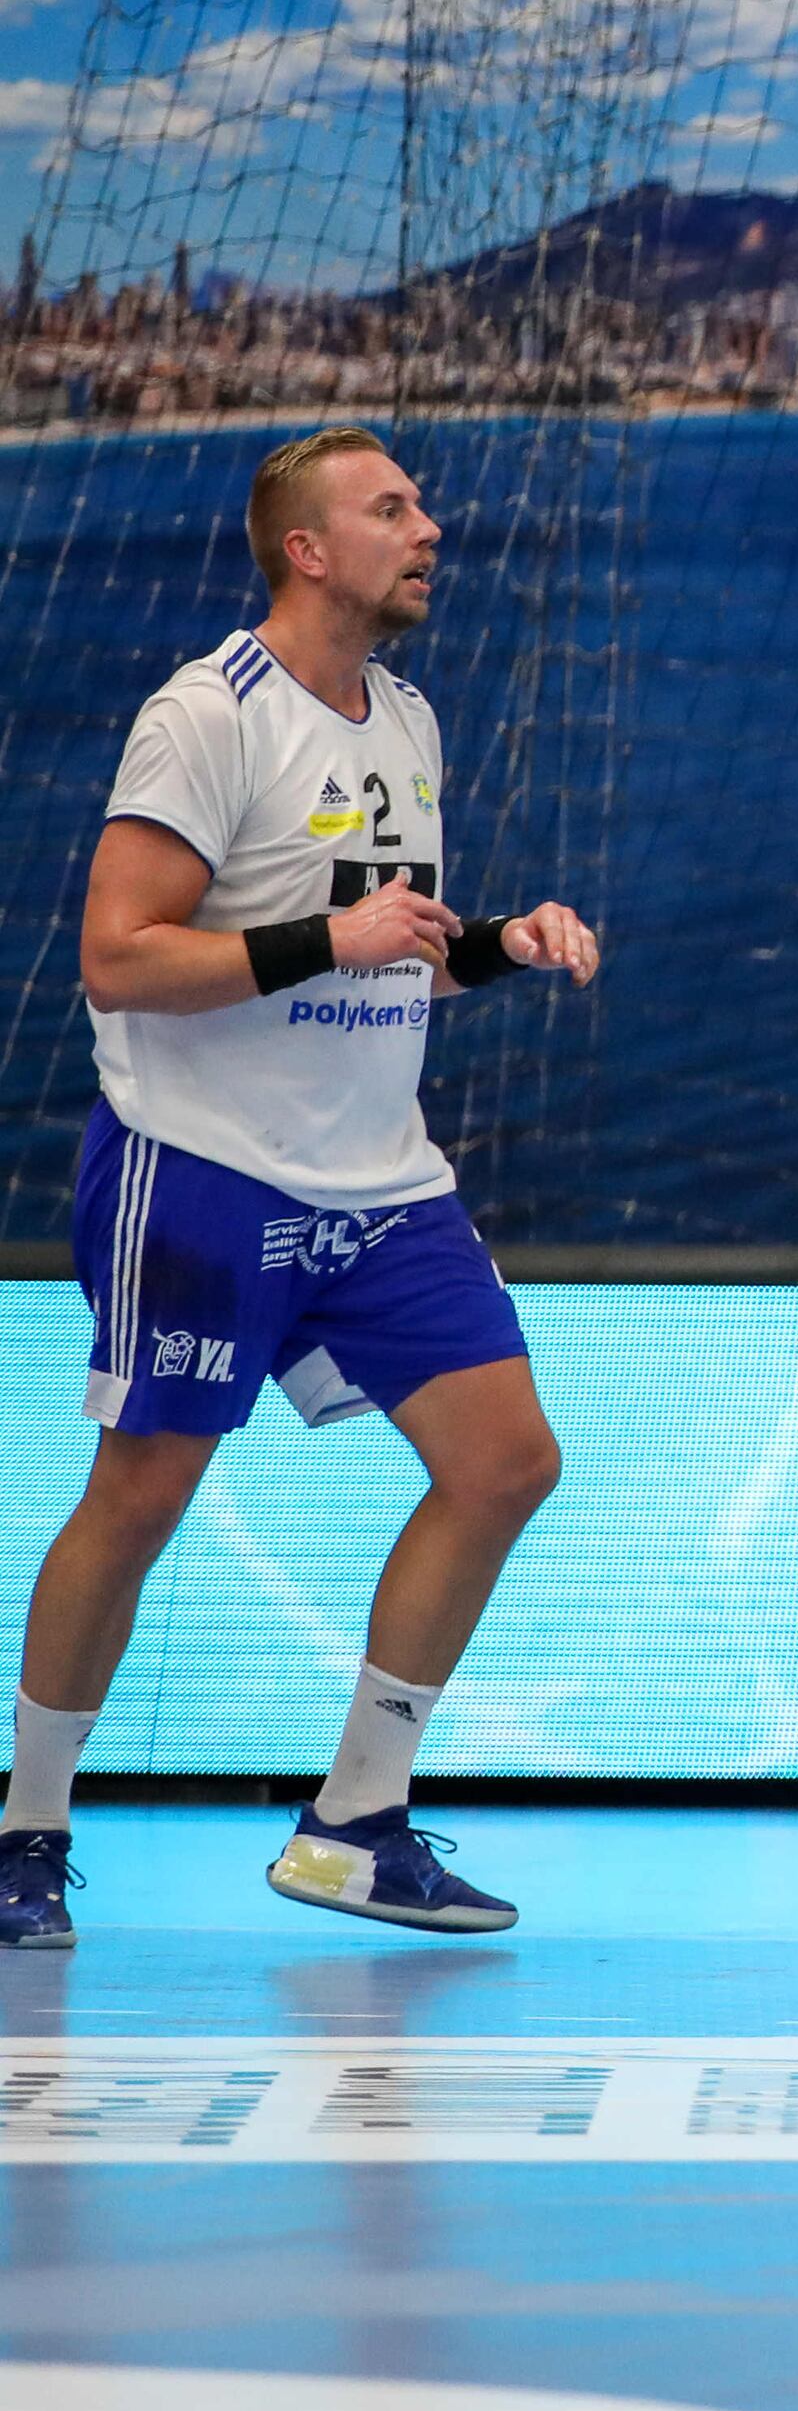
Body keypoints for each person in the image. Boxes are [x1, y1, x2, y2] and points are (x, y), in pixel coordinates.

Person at [0, 425, 605, 1948]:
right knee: (140, 1495)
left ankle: (354, 1822)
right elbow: (119, 957)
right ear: (306, 551)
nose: (430, 527)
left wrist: (494, 946)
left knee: (507, 1461)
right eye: (390, 508)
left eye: (422, 504)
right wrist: (327, 945)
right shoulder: (206, 716)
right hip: (200, 1170)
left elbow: (385, 940)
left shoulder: (404, 717)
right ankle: (24, 1829)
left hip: (380, 1186)